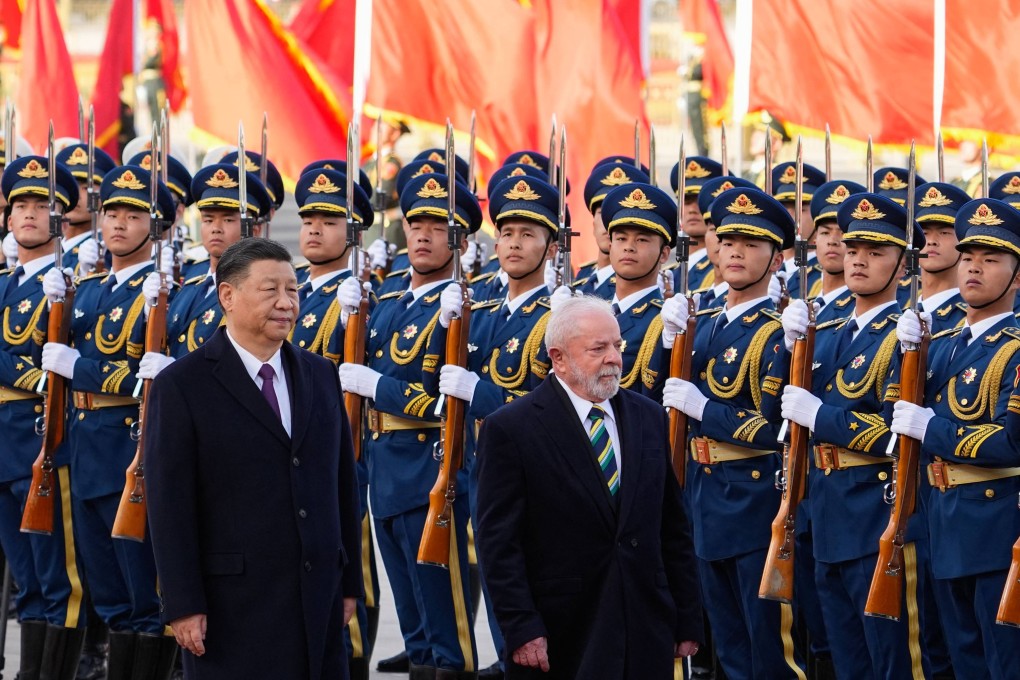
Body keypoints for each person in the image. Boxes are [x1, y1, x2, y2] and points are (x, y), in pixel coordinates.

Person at [145, 238, 363, 679]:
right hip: (232, 607)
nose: (286, 303)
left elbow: (342, 485)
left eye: (294, 290)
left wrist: (349, 583)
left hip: (315, 597)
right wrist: (183, 604)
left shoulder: (320, 375)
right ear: (228, 295)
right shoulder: (182, 385)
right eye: (270, 291)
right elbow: (169, 506)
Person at [475, 295, 703, 679]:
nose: (614, 358)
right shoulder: (512, 428)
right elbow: (498, 544)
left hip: (644, 625)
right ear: (559, 357)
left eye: (617, 345)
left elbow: (671, 526)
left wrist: (686, 617)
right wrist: (521, 627)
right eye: (598, 349)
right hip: (561, 632)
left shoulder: (647, 416)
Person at [775, 193, 930, 679]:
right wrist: (788, 348)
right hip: (825, 512)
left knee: (889, 659)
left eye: (877, 252)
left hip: (873, 511)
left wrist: (818, 415)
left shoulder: (905, 336)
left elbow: (891, 432)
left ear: (904, 267)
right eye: (854, 248)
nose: (859, 260)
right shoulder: (832, 330)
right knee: (843, 657)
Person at [337, 172, 481, 679]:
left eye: (437, 227)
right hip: (386, 471)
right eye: (414, 222)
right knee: (415, 627)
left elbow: (440, 401)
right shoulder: (392, 298)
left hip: (429, 470)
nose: (421, 234)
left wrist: (375, 385)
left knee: (449, 632)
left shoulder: (461, 307)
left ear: (459, 238)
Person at [661, 186, 805, 680]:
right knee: (728, 647)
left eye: (752, 243)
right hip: (703, 495)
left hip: (751, 498)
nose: (735, 253)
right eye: (727, 242)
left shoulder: (777, 329)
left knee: (769, 650)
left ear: (777, 255)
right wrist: (666, 344)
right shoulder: (702, 320)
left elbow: (772, 429)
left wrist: (704, 407)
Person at [40, 164, 178, 678]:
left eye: (133, 214)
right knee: (109, 593)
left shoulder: (161, 292)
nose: (119, 223)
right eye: (112, 212)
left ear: (156, 223)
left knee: (144, 592)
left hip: (129, 446)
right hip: (86, 447)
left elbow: (149, 376)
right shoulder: (91, 289)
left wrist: (83, 369)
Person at [893, 197, 1020, 679]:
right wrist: (903, 355)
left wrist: (933, 428)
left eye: (991, 260)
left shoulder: (1014, 347)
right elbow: (895, 416)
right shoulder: (941, 345)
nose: (974, 269)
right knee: (959, 662)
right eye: (968, 258)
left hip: (996, 527)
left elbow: (1011, 442)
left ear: (1017, 276)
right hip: (941, 523)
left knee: (1003, 663)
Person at [0, 156, 87, 679]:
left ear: (60, 217)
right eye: (20, 205)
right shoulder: (5, 283)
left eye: (42, 205)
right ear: (7, 219)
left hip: (42, 441)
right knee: (26, 579)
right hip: (4, 447)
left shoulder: (71, 286)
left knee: (59, 579)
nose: (29, 214)